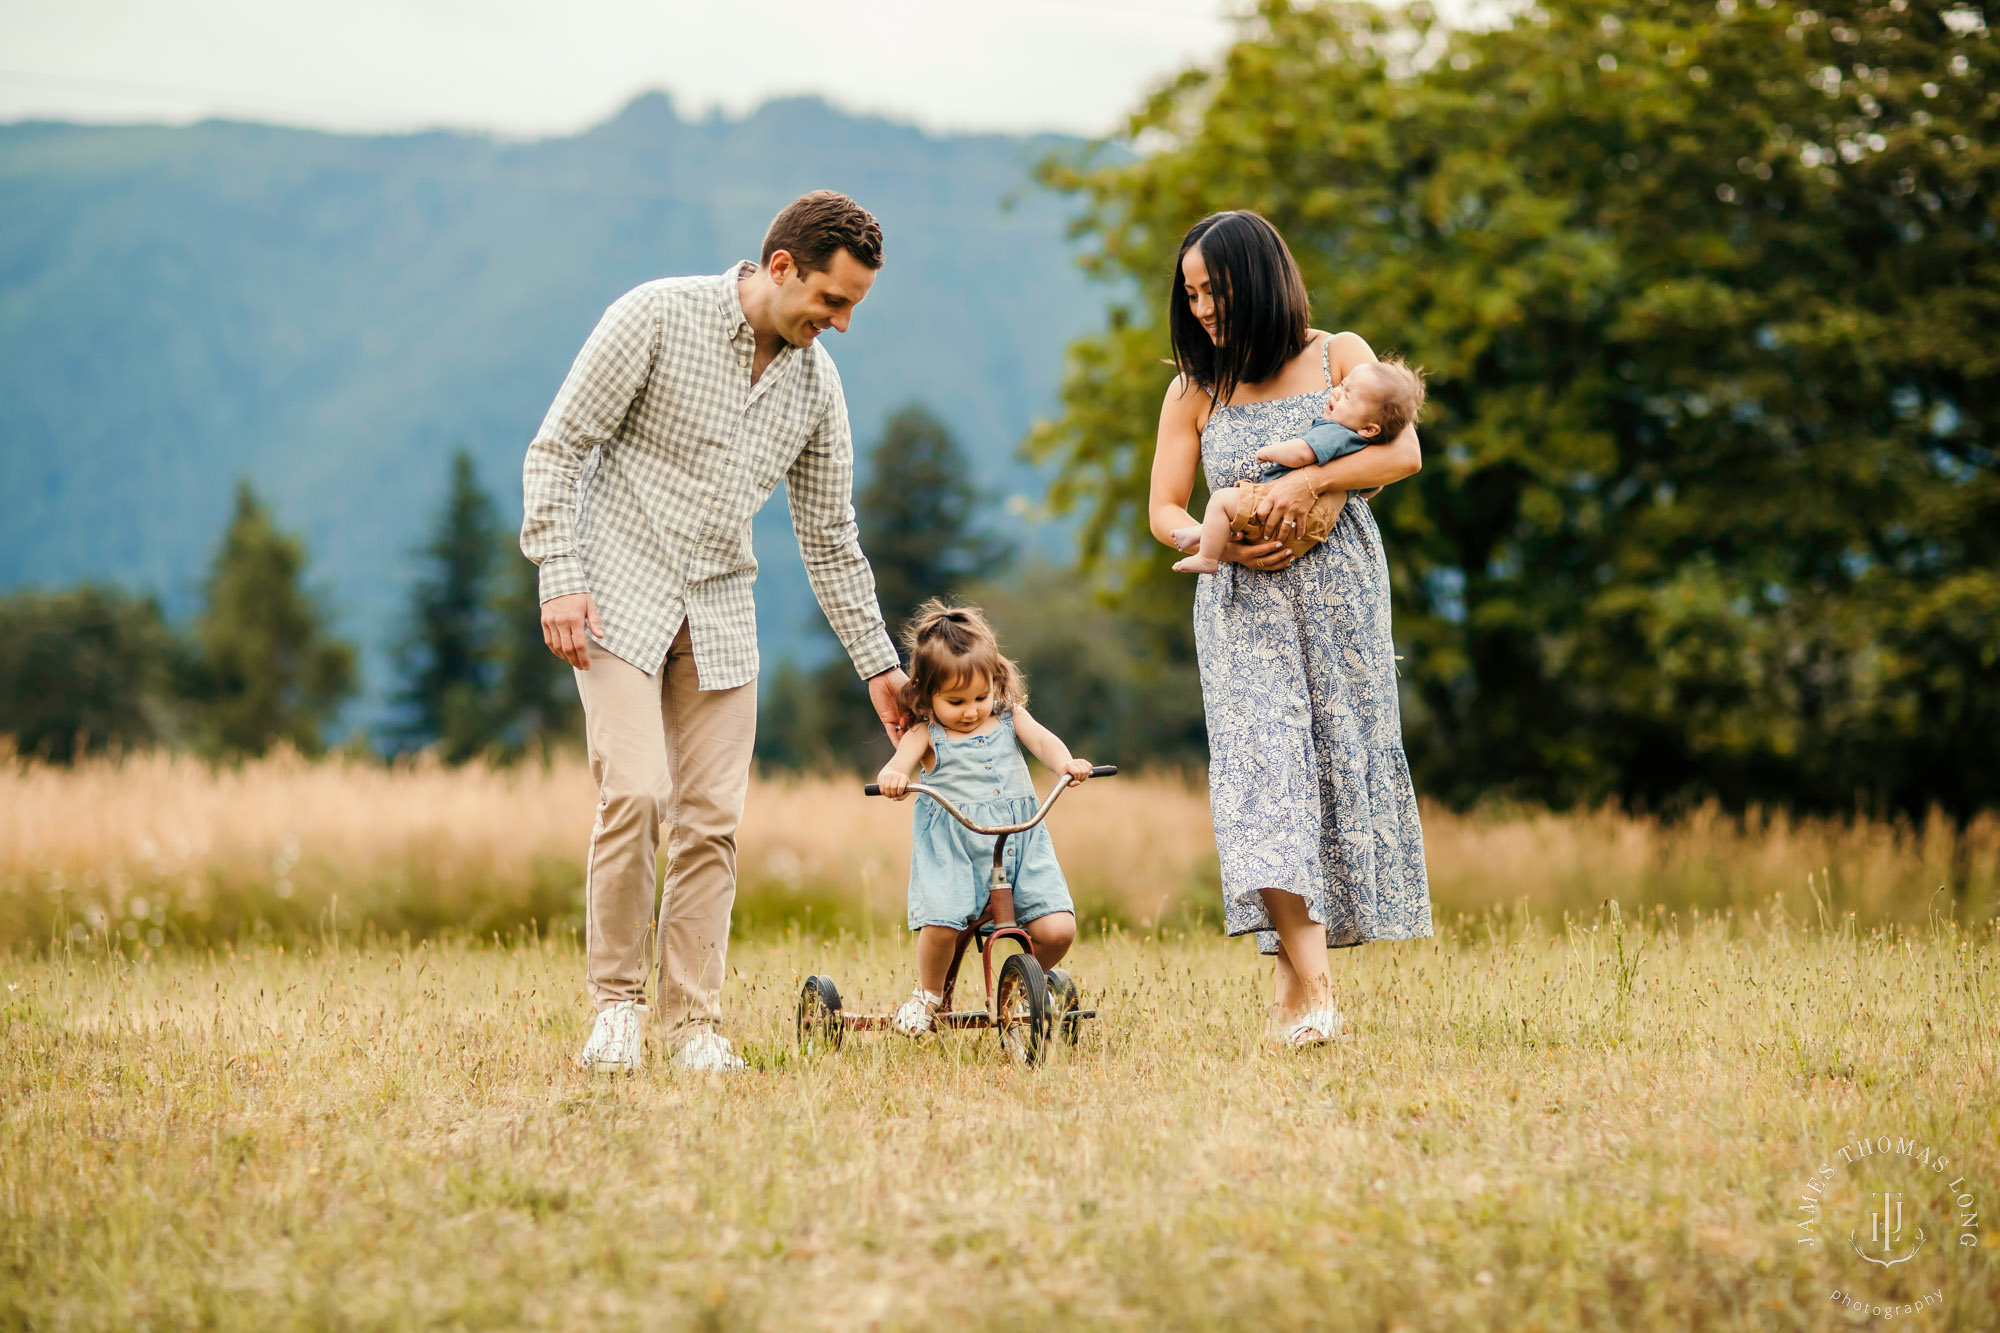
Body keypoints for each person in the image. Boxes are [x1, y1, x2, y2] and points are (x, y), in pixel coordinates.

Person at [520, 191, 912, 1075]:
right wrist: (560, 574)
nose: (842, 323)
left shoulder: (816, 386)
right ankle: (615, 1009)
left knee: (710, 822)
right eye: (833, 300)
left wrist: (879, 668)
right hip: (614, 595)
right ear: (782, 268)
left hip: (721, 614)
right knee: (637, 793)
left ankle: (692, 1023)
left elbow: (829, 536)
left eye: (854, 306)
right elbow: (557, 448)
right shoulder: (656, 316)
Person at [1147, 210, 1434, 1047]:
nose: (1201, 309)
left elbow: (1404, 454)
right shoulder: (1192, 389)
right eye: (1191, 294)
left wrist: (1318, 487)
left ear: (1261, 279)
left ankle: (1294, 996)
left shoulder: (1340, 354)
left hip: (1340, 600)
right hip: (1240, 608)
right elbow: (1164, 507)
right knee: (1265, 786)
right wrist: (1208, 541)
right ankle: (1318, 991)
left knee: (1328, 783)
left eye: (1216, 290)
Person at [873, 601, 1093, 1037]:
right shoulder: (925, 734)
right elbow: (898, 763)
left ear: (997, 682)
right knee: (940, 927)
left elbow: (1044, 743)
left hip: (1020, 843)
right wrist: (893, 776)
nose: (972, 710)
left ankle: (1019, 991)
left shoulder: (1010, 719)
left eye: (980, 696)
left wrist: (1066, 763)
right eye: (955, 701)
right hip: (954, 848)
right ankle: (929, 996)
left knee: (1058, 928)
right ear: (925, 694)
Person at [1171, 356, 1426, 574]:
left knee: (1222, 502)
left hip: (1282, 512)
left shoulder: (1334, 432)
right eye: (1342, 384)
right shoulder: (1363, 447)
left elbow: (1301, 452)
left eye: (1347, 396)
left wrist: (1270, 451)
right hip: (1306, 534)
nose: (1336, 392)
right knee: (1238, 517)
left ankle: (1207, 556)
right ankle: (1202, 534)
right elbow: (1371, 489)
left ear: (1370, 428)